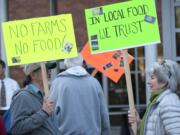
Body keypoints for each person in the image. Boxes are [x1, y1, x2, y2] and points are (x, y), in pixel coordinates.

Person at [50, 54, 110, 135]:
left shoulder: (58, 83)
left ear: (65, 65)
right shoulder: (94, 83)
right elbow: (103, 115)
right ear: (82, 64)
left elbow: (51, 114)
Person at [128, 59, 180, 135]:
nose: (148, 82)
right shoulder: (159, 100)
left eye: (152, 78)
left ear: (164, 81)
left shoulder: (169, 102)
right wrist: (138, 122)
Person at [10, 63, 60, 135]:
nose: (49, 71)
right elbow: (17, 128)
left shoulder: (46, 95)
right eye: (44, 69)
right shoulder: (22, 97)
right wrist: (43, 113)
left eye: (49, 69)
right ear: (33, 75)